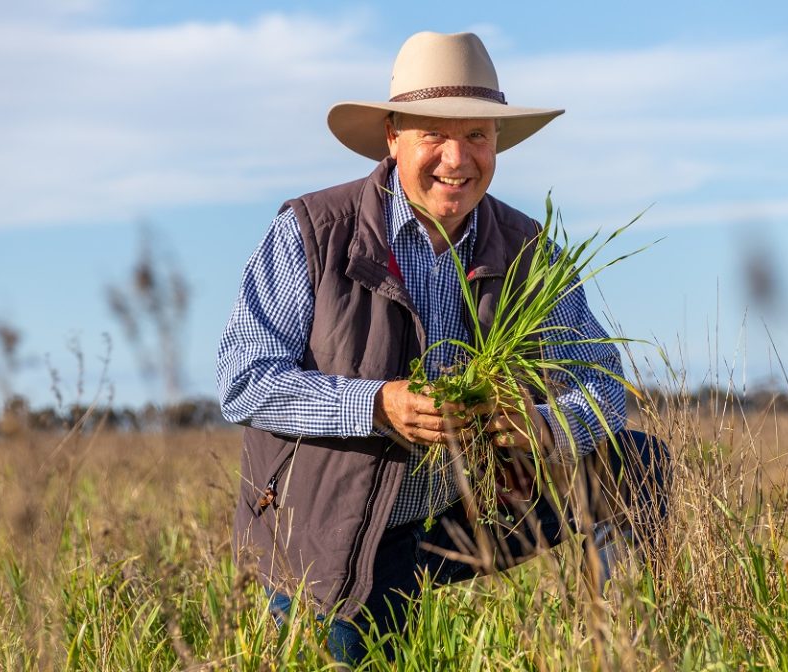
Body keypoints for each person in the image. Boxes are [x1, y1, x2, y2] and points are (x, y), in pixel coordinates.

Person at [217, 31, 669, 662]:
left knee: (634, 461)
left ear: (497, 144)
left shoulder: (526, 249)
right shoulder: (312, 231)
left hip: (462, 511)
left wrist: (540, 424)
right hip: (330, 533)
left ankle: (623, 646)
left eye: (477, 135)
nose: (456, 159)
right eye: (433, 134)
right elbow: (244, 381)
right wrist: (378, 406)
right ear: (393, 136)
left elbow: (603, 389)